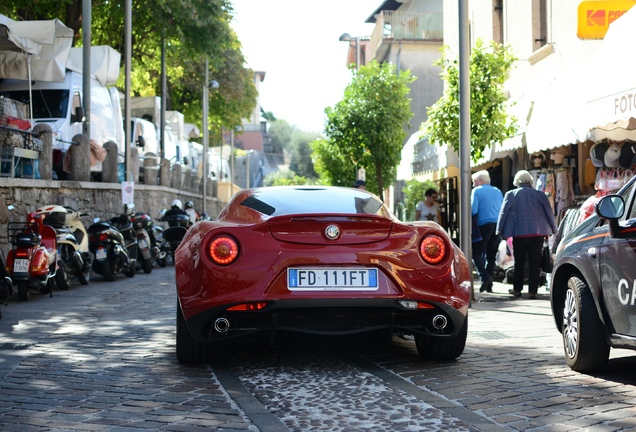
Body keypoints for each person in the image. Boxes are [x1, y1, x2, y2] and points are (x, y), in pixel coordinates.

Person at [497, 170, 557, 299]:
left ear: (517, 181)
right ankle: (532, 291)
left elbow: (503, 213)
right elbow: (548, 212)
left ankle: (517, 289)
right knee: (535, 263)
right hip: (537, 233)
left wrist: (499, 230)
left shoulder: (511, 194)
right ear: (530, 181)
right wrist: (553, 229)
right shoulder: (540, 195)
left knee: (519, 262)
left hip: (519, 234)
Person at [471, 170, 504, 293]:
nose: (473, 184)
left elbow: (474, 210)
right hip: (497, 225)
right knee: (491, 255)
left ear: (480, 180)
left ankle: (484, 277)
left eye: (474, 181)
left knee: (476, 253)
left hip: (483, 225)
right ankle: (489, 285)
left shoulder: (477, 191)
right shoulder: (498, 191)